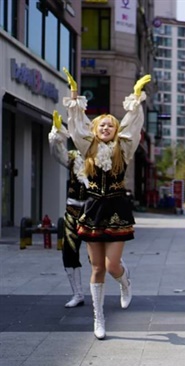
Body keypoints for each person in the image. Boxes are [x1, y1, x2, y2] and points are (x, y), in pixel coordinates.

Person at [62, 68, 151, 339]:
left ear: (115, 129)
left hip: (116, 208)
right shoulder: (87, 147)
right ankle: (98, 319)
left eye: (110, 125)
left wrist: (136, 97)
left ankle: (124, 282)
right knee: (97, 267)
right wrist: (75, 94)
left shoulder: (123, 148)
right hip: (92, 209)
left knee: (112, 266)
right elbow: (76, 125)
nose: (105, 128)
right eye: (101, 124)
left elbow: (133, 124)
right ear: (95, 129)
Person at [48, 110, 87, 308]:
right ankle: (77, 293)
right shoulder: (73, 158)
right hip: (73, 212)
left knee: (106, 256)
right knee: (69, 252)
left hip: (95, 213)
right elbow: (57, 151)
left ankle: (122, 280)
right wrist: (57, 133)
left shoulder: (103, 157)